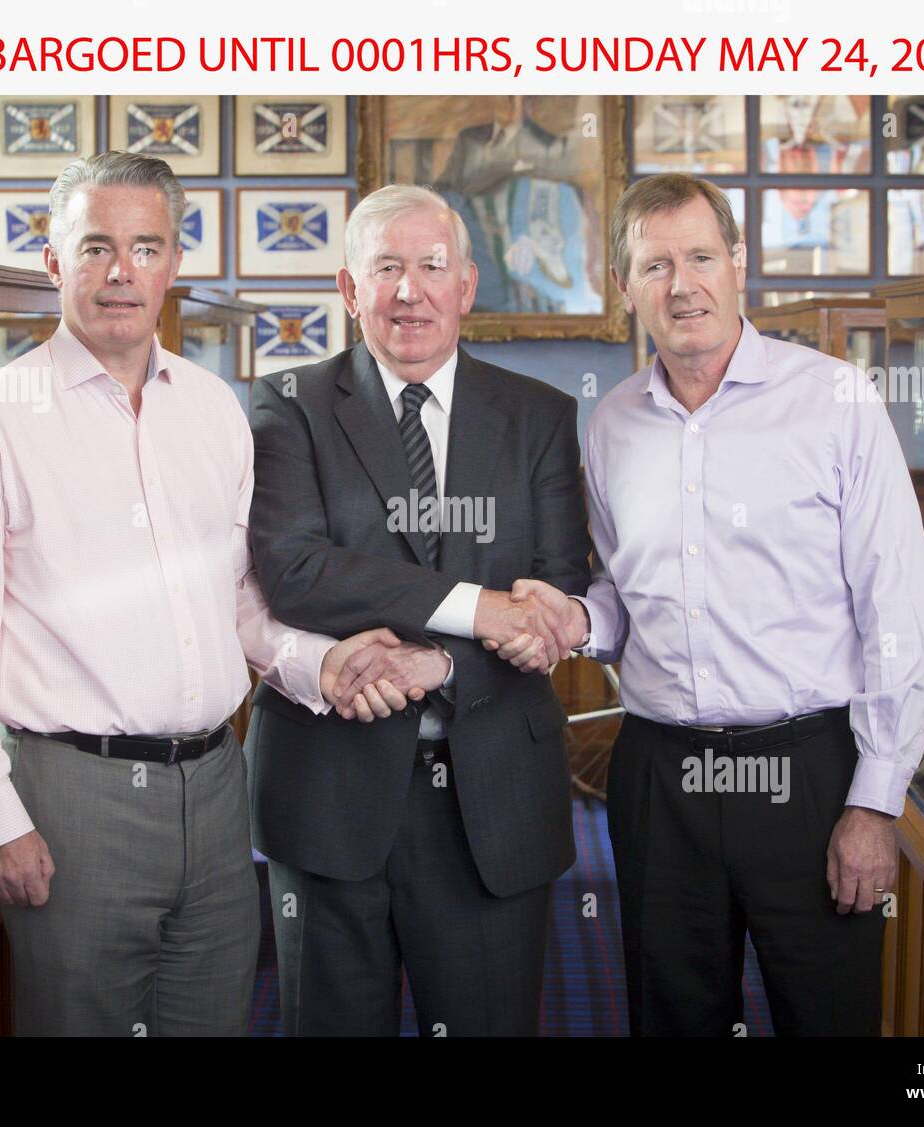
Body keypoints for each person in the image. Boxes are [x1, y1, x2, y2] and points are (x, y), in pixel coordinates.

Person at [0, 151, 438, 1037]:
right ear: (53, 261)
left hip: (218, 787)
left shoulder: (213, 408)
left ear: (173, 263)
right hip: (72, 799)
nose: (122, 271)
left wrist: (325, 663)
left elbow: (238, 601)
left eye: (145, 247)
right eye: (96, 248)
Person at [496, 173, 924, 1036]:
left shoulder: (836, 402)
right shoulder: (612, 424)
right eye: (655, 265)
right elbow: (624, 595)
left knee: (829, 1016)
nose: (682, 285)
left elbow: (897, 610)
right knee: (672, 1016)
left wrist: (876, 801)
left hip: (810, 777)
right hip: (662, 780)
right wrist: (577, 620)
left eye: (700, 257)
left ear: (740, 263)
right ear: (625, 287)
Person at [244, 183, 593, 1036]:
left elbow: (552, 590)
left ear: (466, 285)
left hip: (493, 795)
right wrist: (476, 609)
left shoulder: (539, 417)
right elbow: (296, 573)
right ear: (348, 288)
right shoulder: (285, 403)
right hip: (328, 791)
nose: (410, 291)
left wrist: (434, 660)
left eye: (432, 267)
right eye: (386, 268)